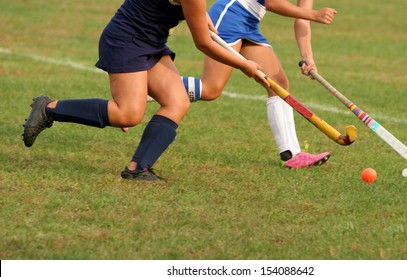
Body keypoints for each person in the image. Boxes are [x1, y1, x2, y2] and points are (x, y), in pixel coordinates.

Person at [22, 0, 268, 181]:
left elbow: (195, 13)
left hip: (150, 42)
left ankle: (138, 168)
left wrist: (200, 14)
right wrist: (244, 65)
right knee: (127, 114)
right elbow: (202, 42)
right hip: (126, 41)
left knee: (177, 101)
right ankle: (48, 108)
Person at [178, 0, 337, 168]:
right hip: (230, 15)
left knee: (278, 84)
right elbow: (272, 3)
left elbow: (302, 19)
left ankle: (293, 154)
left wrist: (308, 57)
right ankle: (156, 86)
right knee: (211, 89)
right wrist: (315, 14)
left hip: (250, 23)